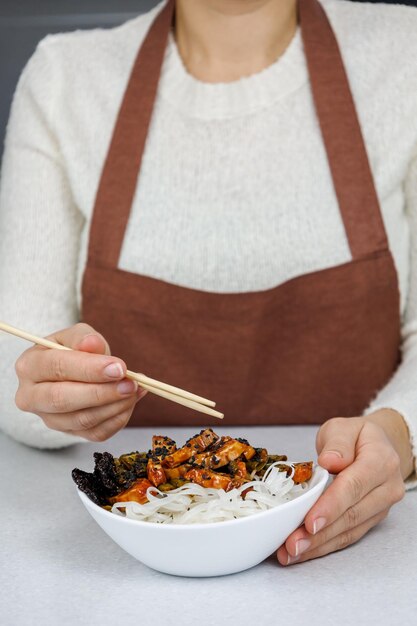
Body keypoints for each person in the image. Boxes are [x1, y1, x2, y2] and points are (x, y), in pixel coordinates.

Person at [0, 0, 416, 567]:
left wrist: (400, 433)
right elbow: (13, 352)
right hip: (123, 554)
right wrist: (48, 393)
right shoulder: (64, 80)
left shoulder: (407, 54)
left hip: (371, 560)